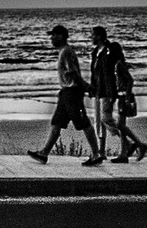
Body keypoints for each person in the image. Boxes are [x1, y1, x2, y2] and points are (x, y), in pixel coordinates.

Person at [27, 24, 104, 166]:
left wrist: (85, 87)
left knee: (83, 122)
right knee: (56, 123)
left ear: (61, 36)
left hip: (72, 93)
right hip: (65, 93)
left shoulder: (66, 52)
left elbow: (73, 72)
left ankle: (96, 154)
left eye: (54, 35)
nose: (51, 38)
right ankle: (44, 153)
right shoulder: (64, 51)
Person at [89, 25, 147, 163]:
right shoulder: (96, 52)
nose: (91, 37)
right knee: (104, 120)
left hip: (108, 91)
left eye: (93, 35)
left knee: (106, 118)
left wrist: (115, 92)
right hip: (99, 90)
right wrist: (92, 87)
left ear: (99, 36)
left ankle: (129, 144)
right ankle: (123, 151)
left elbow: (112, 73)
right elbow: (95, 72)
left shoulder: (109, 51)